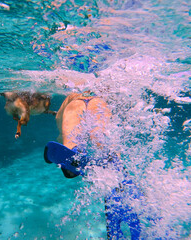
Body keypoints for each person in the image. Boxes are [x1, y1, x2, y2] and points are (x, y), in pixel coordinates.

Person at [44, 91, 142, 239]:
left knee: (71, 140)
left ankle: (76, 152)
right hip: (96, 101)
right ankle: (116, 166)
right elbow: (56, 151)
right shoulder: (67, 106)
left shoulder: (62, 113)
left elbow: (60, 148)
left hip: (75, 103)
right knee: (100, 139)